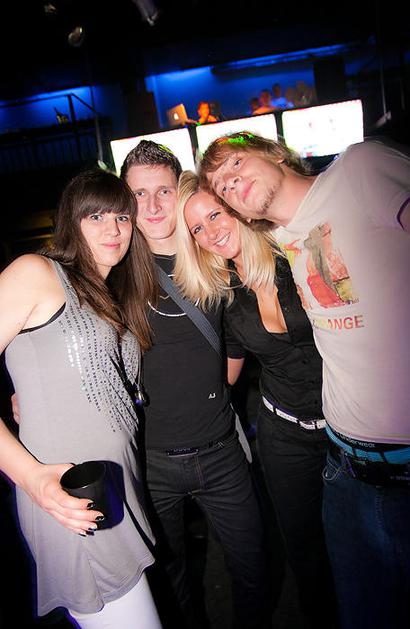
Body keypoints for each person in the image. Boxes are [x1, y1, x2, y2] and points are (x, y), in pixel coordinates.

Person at [198, 131, 410, 629]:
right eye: (222, 185)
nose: (230, 182)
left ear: (274, 153)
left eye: (236, 163)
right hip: (344, 468)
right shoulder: (283, 239)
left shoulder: (360, 169)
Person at [173, 170, 338, 628]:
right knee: (305, 552)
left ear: (236, 207)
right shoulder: (224, 293)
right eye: (197, 229)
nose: (210, 233)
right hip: (284, 436)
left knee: (360, 544)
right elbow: (225, 370)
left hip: (348, 427)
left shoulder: (294, 251)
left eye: (215, 215)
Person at [0, 169, 162, 628]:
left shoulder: (107, 294)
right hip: (70, 499)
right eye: (96, 216)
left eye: (122, 217)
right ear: (71, 221)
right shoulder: (37, 273)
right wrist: (31, 478)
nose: (113, 229)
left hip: (114, 492)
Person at [119, 140, 269, 629]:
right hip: (152, 463)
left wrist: (215, 394)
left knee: (254, 569)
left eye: (163, 190)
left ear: (179, 190)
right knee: (174, 583)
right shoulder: (113, 273)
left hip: (222, 452)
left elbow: (237, 336)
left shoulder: (211, 257)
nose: (152, 206)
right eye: (138, 194)